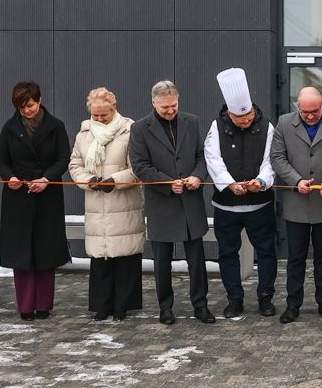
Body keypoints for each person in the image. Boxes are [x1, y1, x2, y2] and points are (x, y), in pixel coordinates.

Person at [129, 80, 214, 325]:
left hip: (190, 201)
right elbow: (140, 165)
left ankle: (201, 305)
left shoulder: (192, 121)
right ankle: (165, 308)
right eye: (165, 107)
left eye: (173, 105)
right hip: (162, 203)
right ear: (153, 103)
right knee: (162, 261)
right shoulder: (140, 128)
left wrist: (198, 175)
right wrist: (166, 183)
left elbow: (201, 155)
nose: (170, 110)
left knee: (197, 259)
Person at [270, 86, 322, 323]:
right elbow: (277, 156)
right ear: (297, 105)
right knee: (295, 258)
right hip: (296, 202)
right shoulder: (284, 123)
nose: (308, 116)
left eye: (314, 111)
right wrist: (296, 180)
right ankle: (293, 305)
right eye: (304, 111)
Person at [204, 68, 279, 318]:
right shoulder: (216, 126)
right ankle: (234, 298)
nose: (246, 122)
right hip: (227, 206)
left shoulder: (267, 126)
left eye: (248, 117)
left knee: (267, 251)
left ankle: (266, 296)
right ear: (229, 113)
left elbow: (271, 160)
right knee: (227, 253)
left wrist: (261, 180)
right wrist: (228, 183)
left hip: (260, 205)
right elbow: (212, 159)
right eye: (240, 119)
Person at [0, 81, 71, 321]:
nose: (26, 110)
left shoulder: (56, 126)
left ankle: (43, 305)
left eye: (29, 105)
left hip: (47, 196)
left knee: (45, 251)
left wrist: (47, 178)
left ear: (39, 100)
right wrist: (10, 178)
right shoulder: (9, 128)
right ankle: (26, 306)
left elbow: (63, 158)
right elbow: (1, 161)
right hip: (18, 199)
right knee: (22, 253)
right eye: (21, 107)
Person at [68, 87, 144, 321]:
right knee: (100, 257)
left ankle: (123, 305)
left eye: (104, 115)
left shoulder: (129, 132)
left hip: (123, 202)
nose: (99, 119)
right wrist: (88, 181)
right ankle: (102, 305)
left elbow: (138, 168)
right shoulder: (84, 134)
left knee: (124, 255)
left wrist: (116, 180)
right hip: (96, 203)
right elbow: (75, 165)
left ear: (114, 109)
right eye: (96, 115)